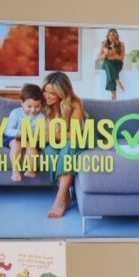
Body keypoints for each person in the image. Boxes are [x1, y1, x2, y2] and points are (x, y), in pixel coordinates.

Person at [40, 72, 84, 219]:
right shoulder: (44, 105)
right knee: (50, 150)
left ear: (62, 92)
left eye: (52, 93)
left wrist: (52, 135)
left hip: (76, 139)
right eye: (45, 91)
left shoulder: (74, 103)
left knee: (68, 148)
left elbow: (75, 133)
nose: (47, 96)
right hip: (57, 140)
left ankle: (60, 199)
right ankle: (66, 197)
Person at [5, 84, 45, 182]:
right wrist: (18, 132)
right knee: (16, 145)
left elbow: (43, 133)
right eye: (29, 106)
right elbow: (7, 130)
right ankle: (15, 171)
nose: (33, 110)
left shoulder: (41, 117)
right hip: (16, 137)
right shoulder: (16, 113)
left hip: (31, 139)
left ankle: (31, 170)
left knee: (32, 147)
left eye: (37, 106)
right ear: (22, 102)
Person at [99, 29, 126, 100]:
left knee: (110, 71)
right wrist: (106, 54)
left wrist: (113, 54)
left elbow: (121, 57)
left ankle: (113, 94)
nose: (111, 37)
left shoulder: (121, 44)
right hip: (106, 63)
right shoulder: (104, 43)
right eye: (110, 35)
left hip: (117, 64)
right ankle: (117, 80)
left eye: (113, 35)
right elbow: (101, 58)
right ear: (107, 36)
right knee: (107, 62)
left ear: (116, 36)